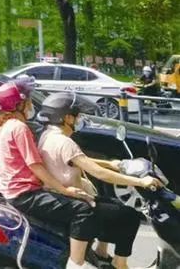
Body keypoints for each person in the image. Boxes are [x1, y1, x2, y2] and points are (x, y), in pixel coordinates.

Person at [37, 92, 163, 269]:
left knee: (112, 205)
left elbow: (78, 159)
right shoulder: (64, 142)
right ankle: (120, 264)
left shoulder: (48, 135)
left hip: (60, 195)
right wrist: (140, 182)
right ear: (66, 117)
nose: (79, 119)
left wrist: (112, 164)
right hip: (72, 199)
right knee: (130, 215)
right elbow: (98, 173)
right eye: (77, 116)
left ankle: (101, 254)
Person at [0, 77, 98, 269]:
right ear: (20, 103)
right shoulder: (19, 128)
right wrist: (66, 191)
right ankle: (76, 264)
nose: (32, 104)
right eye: (29, 100)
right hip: (25, 194)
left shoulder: (2, 125)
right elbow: (36, 166)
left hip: (13, 191)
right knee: (83, 209)